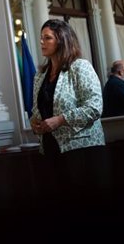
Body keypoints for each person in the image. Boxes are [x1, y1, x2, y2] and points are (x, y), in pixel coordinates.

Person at [29, 19, 108, 213]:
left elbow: (95, 107)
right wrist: (35, 122)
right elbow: (37, 110)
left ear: (62, 40)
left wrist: (60, 120)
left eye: (47, 38)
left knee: (87, 209)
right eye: (41, 38)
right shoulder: (40, 75)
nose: (41, 42)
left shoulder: (80, 67)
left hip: (82, 150)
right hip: (50, 149)